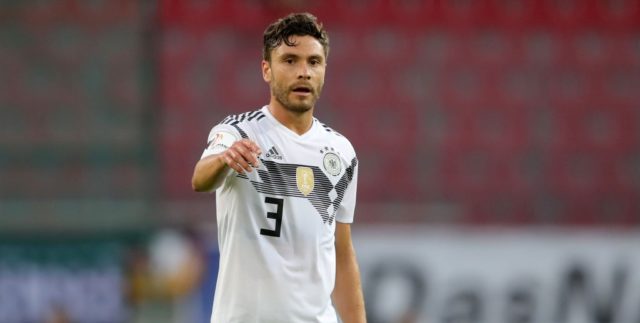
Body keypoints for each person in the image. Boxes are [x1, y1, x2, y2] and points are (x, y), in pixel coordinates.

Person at [192, 12, 366, 323]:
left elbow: (341, 252)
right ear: (266, 70)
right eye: (290, 60)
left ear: (324, 70)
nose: (303, 72)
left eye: (314, 62)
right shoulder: (238, 132)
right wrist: (224, 159)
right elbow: (200, 179)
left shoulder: (341, 153)